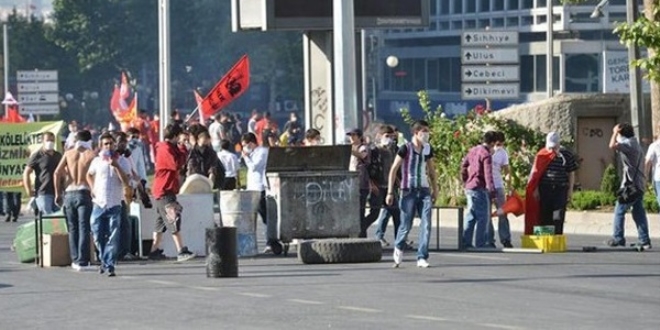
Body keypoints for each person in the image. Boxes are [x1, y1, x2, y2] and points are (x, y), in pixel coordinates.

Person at [386, 120, 438, 268]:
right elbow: (394, 169)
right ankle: (399, 246)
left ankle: (422, 256)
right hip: (408, 190)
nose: (427, 134)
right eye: (424, 131)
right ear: (416, 133)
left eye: (428, 131)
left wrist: (435, 189)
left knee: (426, 224)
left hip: (424, 190)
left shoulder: (427, 149)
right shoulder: (405, 148)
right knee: (406, 224)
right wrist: (390, 192)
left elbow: (432, 171)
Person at [148, 123, 196, 262]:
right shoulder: (165, 149)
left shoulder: (169, 147)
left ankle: (154, 250)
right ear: (175, 136)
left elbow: (180, 160)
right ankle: (181, 250)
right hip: (164, 190)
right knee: (173, 219)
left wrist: (182, 148)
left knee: (160, 223)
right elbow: (176, 164)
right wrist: (183, 148)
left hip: (165, 189)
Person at [86, 133, 131, 277]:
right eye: (105, 144)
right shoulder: (97, 161)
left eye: (111, 144)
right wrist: (92, 187)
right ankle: (103, 258)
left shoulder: (122, 161)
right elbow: (89, 174)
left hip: (115, 203)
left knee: (113, 235)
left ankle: (109, 264)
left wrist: (116, 166)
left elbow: (126, 182)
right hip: (99, 202)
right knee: (97, 234)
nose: (108, 146)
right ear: (101, 146)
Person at [53, 130, 97, 270]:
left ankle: (75, 259)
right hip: (84, 192)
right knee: (84, 227)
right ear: (89, 141)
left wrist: (57, 193)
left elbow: (56, 172)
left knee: (73, 228)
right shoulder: (91, 155)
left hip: (69, 193)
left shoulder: (68, 153)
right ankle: (82, 261)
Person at [606, 123, 651, 249]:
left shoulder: (628, 145)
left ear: (622, 134)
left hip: (631, 185)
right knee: (638, 213)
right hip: (638, 184)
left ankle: (618, 237)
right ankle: (644, 240)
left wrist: (614, 132)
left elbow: (611, 146)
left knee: (619, 210)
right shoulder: (634, 143)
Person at [525, 132, 578, 237]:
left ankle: (557, 236)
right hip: (545, 189)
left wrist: (570, 190)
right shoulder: (542, 154)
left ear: (559, 144)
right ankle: (546, 238)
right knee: (545, 214)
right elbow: (536, 173)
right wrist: (535, 189)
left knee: (557, 215)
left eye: (554, 147)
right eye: (550, 147)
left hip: (560, 188)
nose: (552, 150)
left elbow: (571, 173)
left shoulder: (566, 155)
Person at [461, 131, 497, 249]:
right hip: (479, 187)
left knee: (471, 215)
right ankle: (480, 243)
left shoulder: (473, 150)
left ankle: (466, 242)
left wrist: (465, 179)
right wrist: (492, 192)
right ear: (492, 143)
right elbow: (488, 175)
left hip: (469, 187)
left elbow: (464, 165)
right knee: (483, 217)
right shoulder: (486, 154)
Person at [240, 133, 271, 250]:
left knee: (265, 217)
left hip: (260, 188)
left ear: (252, 143)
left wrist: (246, 157)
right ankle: (251, 244)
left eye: (245, 145)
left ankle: (269, 241)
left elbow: (254, 167)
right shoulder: (251, 153)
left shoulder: (262, 152)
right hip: (251, 188)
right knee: (250, 218)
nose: (244, 148)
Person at [373, 125, 402, 247]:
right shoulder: (375, 151)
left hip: (390, 187)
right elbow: (371, 169)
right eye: (386, 136)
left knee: (396, 213)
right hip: (378, 186)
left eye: (391, 136)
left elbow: (395, 169)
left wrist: (399, 182)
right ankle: (369, 235)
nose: (389, 139)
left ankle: (399, 241)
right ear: (379, 137)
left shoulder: (394, 151)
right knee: (374, 213)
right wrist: (372, 184)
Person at [23, 132, 62, 215]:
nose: (50, 142)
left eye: (52, 140)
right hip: (43, 192)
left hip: (57, 192)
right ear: (43, 141)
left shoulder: (58, 156)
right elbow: (26, 173)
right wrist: (28, 190)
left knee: (59, 218)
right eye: (47, 140)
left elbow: (64, 173)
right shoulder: (37, 155)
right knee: (48, 217)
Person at [485, 131, 513, 248]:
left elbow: (507, 171)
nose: (499, 145)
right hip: (486, 186)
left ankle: (505, 239)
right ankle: (489, 240)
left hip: (498, 186)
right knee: (487, 215)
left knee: (503, 213)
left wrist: (509, 186)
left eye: (501, 143)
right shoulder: (486, 151)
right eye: (497, 143)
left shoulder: (503, 153)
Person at [347, 128, 374, 238]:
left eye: (353, 135)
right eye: (350, 135)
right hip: (349, 184)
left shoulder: (363, 148)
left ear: (359, 137)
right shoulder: (351, 148)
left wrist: (350, 150)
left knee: (360, 210)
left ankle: (362, 235)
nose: (351, 138)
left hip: (361, 184)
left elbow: (363, 156)